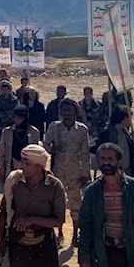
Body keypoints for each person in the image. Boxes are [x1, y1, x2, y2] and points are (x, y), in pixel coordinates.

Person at [43, 98, 91, 245]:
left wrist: (85, 174)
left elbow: (85, 154)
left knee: (76, 204)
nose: (67, 113)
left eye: (70, 110)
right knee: (57, 204)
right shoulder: (54, 128)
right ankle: (60, 234)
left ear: (76, 112)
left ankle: (75, 234)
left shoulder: (82, 130)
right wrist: (52, 150)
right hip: (57, 171)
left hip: (75, 173)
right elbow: (45, 144)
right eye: (64, 110)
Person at [0, 105, 41, 181]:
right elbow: (2, 153)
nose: (16, 120)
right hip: (11, 168)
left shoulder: (34, 132)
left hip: (28, 170)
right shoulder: (7, 132)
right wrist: (1, 171)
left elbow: (37, 155)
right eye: (14, 117)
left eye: (19, 118)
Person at [99, 107, 134, 179]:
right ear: (124, 118)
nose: (130, 121)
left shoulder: (125, 133)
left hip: (128, 173)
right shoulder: (107, 134)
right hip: (114, 173)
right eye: (129, 117)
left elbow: (133, 152)